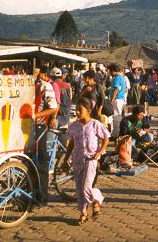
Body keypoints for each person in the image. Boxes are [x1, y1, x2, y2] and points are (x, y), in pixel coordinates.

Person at [63, 97, 110, 225]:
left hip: (90, 160)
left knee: (86, 188)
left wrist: (99, 152)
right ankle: (83, 213)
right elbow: (71, 143)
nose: (77, 112)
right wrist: (65, 158)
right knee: (79, 189)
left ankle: (97, 198)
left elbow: (106, 138)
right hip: (77, 160)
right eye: (76, 110)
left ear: (88, 110)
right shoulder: (73, 126)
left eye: (80, 110)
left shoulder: (95, 124)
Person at [34, 65, 59, 204]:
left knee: (42, 159)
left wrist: (35, 115)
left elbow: (54, 107)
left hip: (39, 126)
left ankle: (42, 195)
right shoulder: (23, 84)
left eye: (35, 69)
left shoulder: (45, 86)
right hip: (23, 128)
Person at [108, 64, 127, 138]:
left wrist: (112, 98)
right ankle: (117, 133)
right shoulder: (120, 77)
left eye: (109, 71)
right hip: (120, 99)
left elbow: (117, 88)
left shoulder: (117, 77)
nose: (109, 72)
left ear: (113, 71)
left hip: (117, 99)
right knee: (117, 116)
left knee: (116, 117)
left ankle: (116, 134)